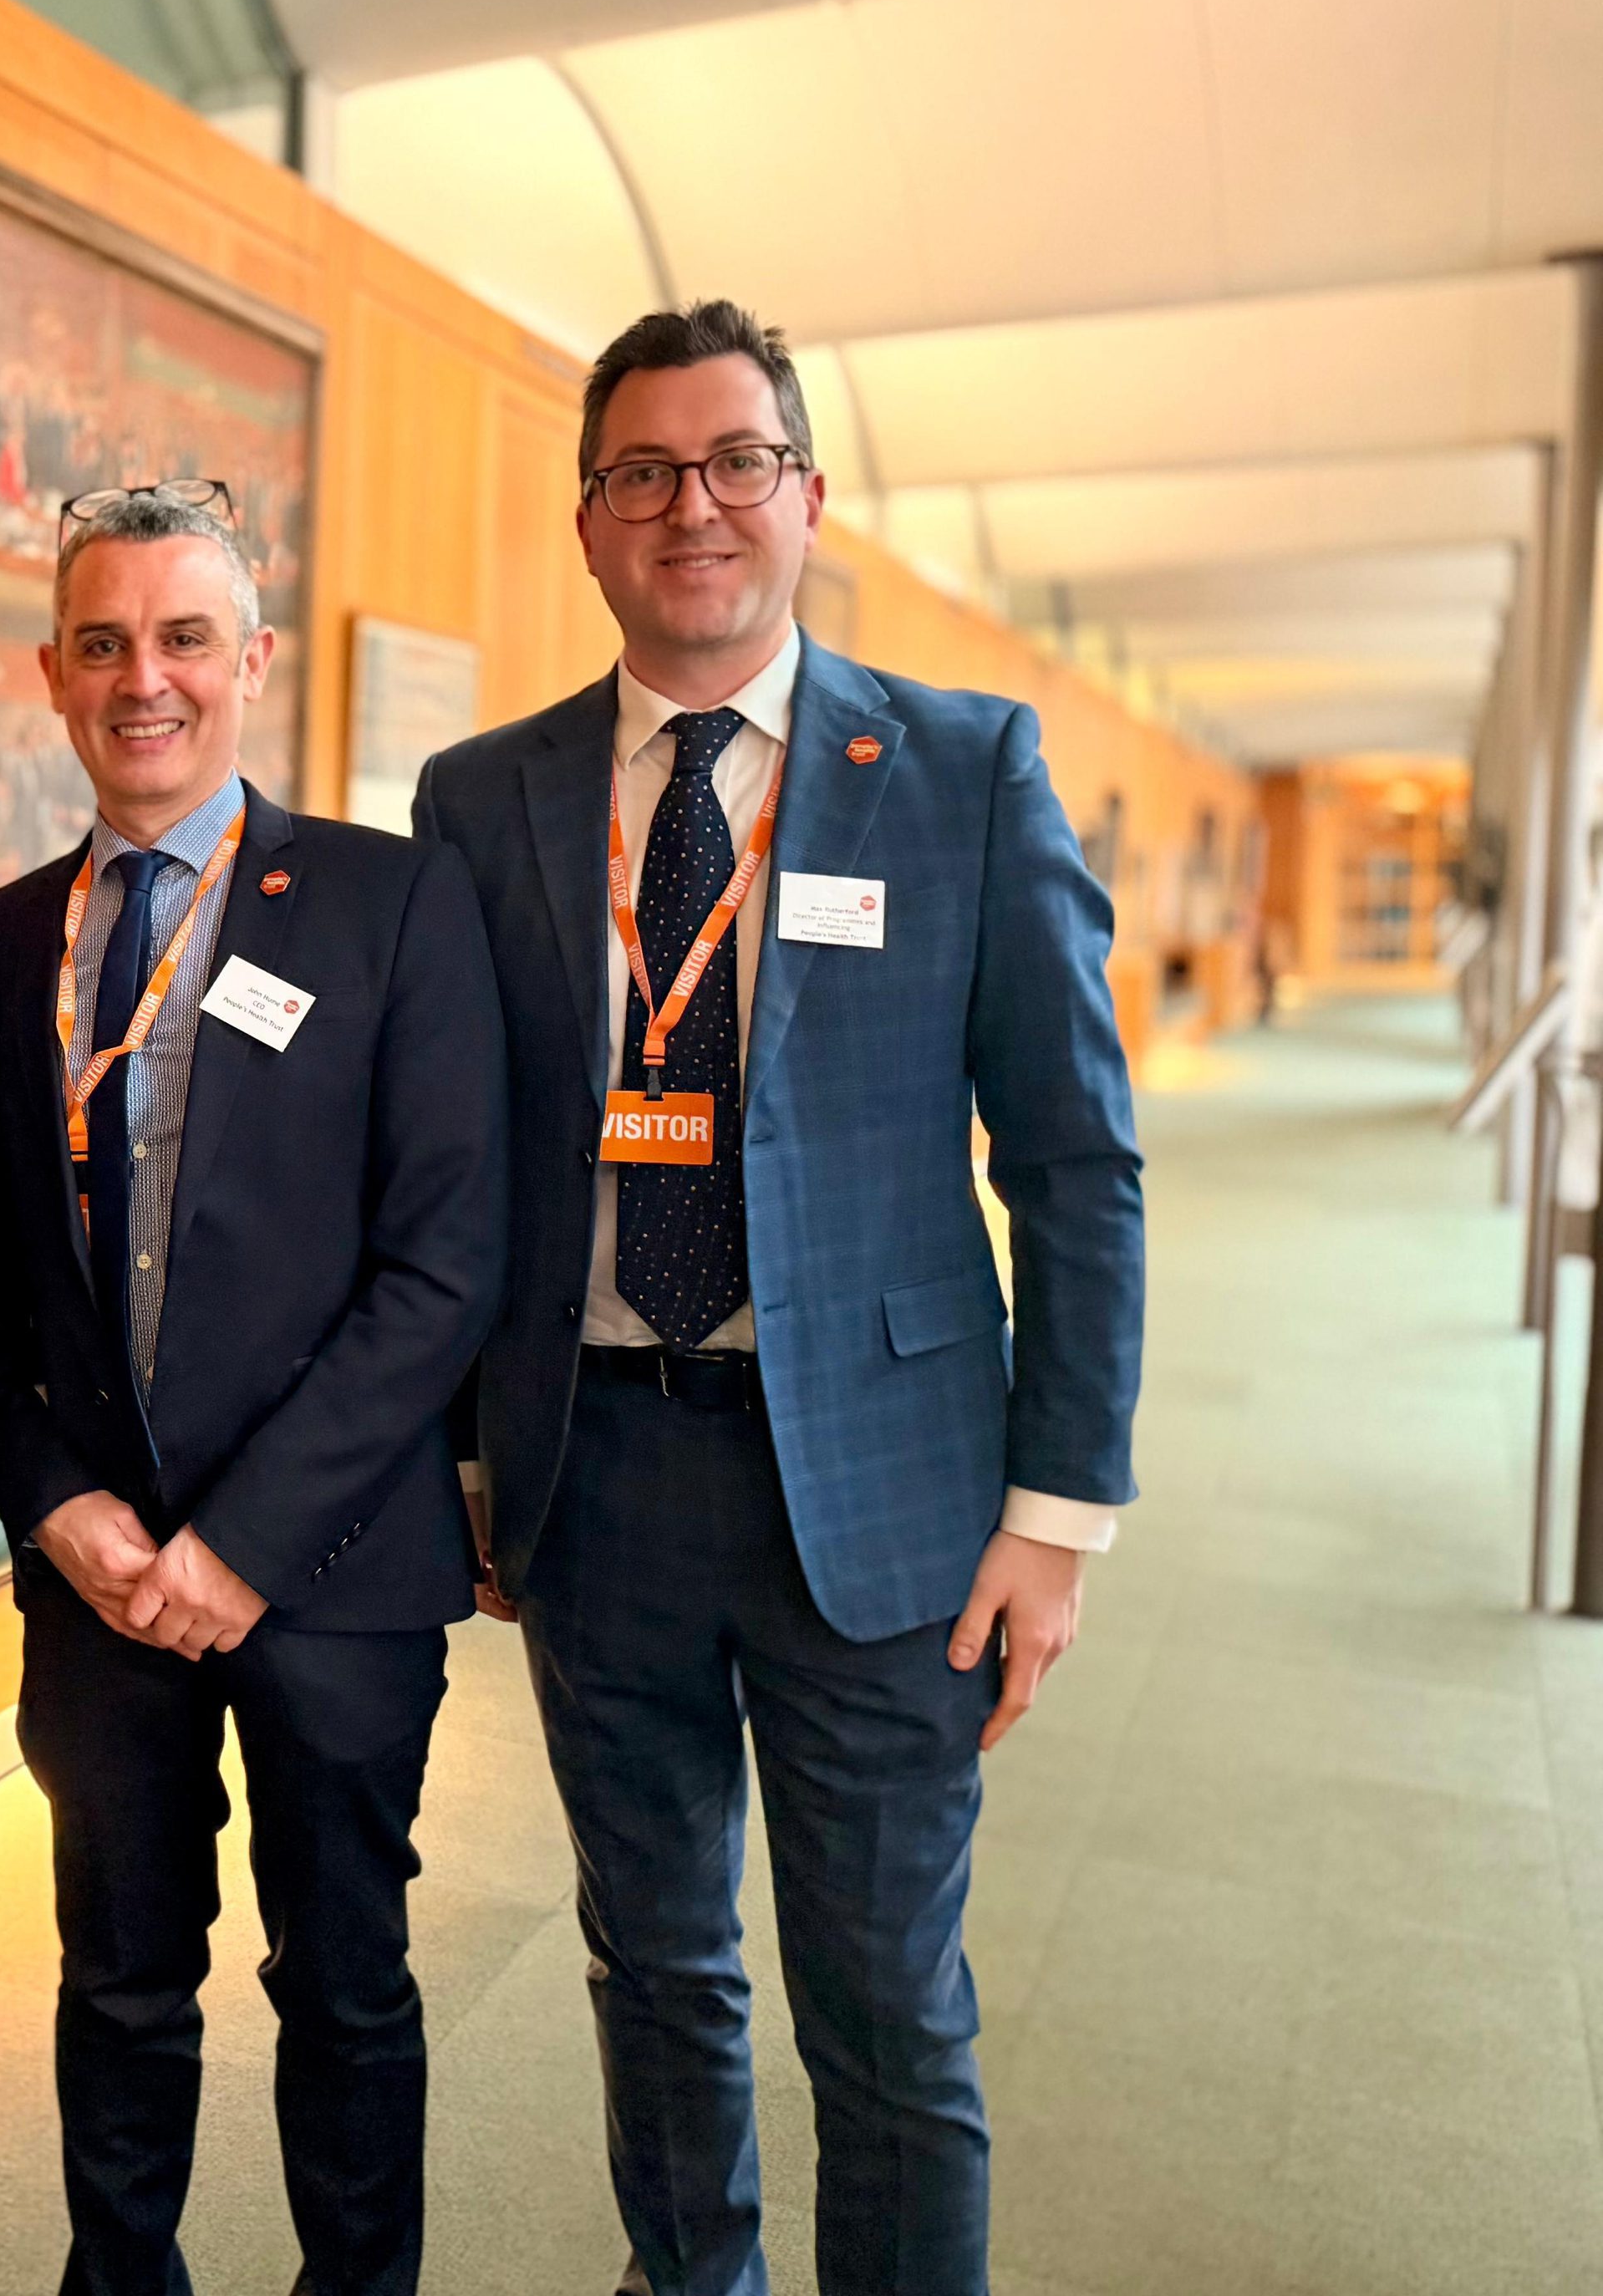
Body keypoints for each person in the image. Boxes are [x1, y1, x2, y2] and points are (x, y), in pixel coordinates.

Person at [414, 301, 1143, 2296]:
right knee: (651, 1972)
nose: (692, 507)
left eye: (735, 462)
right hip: (592, 1478)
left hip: (890, 1500)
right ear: (586, 524)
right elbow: (452, 1163)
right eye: (641, 471)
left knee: (884, 2013)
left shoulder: (963, 770)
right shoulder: (482, 802)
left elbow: (1073, 1162)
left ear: (806, 498)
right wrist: (462, 1460)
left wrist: (1054, 1520)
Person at [0, 482, 501, 2296]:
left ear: (248, 660)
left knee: (341, 1983)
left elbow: (440, 1271)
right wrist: (54, 1503)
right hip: (95, 1579)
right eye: (100, 643)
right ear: (49, 672)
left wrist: (242, 1545)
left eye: (183, 638)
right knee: (115, 1979)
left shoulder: (392, 904)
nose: (142, 681)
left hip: (331, 1573)